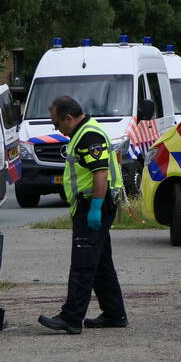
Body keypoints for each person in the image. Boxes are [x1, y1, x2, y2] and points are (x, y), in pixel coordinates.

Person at [38, 95, 128, 334]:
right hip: (91, 204)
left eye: (56, 123)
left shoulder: (89, 136)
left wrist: (97, 208)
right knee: (100, 263)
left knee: (82, 264)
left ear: (68, 118)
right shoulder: (83, 132)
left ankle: (71, 318)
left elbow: (99, 174)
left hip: (93, 205)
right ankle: (114, 313)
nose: (56, 128)